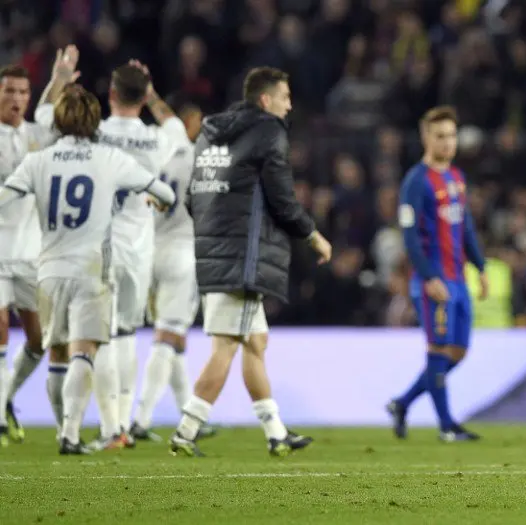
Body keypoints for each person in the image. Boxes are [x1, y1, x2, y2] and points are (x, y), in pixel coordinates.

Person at [0, 84, 175, 454]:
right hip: (91, 270)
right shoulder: (109, 158)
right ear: (94, 120)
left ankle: (64, 431)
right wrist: (158, 201)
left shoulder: (38, 160)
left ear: (59, 119)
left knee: (57, 353)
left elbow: (4, 197)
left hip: (48, 270)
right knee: (84, 352)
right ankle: (69, 434)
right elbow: (167, 193)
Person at [169, 67, 332, 458]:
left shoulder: (209, 134)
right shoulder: (268, 132)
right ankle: (186, 432)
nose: (289, 105)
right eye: (285, 97)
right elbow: (283, 200)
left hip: (214, 253)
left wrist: (218, 233)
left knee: (255, 342)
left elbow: (192, 198)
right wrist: (314, 235)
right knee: (226, 346)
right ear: (265, 100)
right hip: (243, 259)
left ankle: (276, 433)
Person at [35, 54, 189, 450]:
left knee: (98, 335)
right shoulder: (157, 139)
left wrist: (60, 79)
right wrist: (152, 94)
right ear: (142, 95)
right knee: (125, 335)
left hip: (97, 247)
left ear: (111, 94)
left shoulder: (93, 133)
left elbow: (44, 118)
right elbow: (175, 126)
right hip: (140, 249)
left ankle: (112, 427)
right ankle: (122, 422)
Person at [387, 106, 488, 442]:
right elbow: (410, 236)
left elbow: (466, 227)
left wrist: (480, 266)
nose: (447, 142)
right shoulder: (416, 181)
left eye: (451, 135)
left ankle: (402, 403)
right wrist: (429, 277)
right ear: (425, 137)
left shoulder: (456, 177)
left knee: (457, 351)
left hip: (458, 280)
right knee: (438, 349)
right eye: (440, 136)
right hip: (433, 281)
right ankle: (446, 426)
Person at [0, 51, 72, 446]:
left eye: (22, 92)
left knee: (38, 340)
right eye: (9, 91)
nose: (16, 98)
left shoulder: (35, 134)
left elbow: (48, 111)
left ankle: (6, 397)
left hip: (30, 254)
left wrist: (58, 79)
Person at [131, 103, 214, 442]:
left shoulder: (154, 154)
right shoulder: (197, 158)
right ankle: (141, 418)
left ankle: (187, 412)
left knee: (175, 337)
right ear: (188, 121)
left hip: (150, 249)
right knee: (168, 334)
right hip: (182, 251)